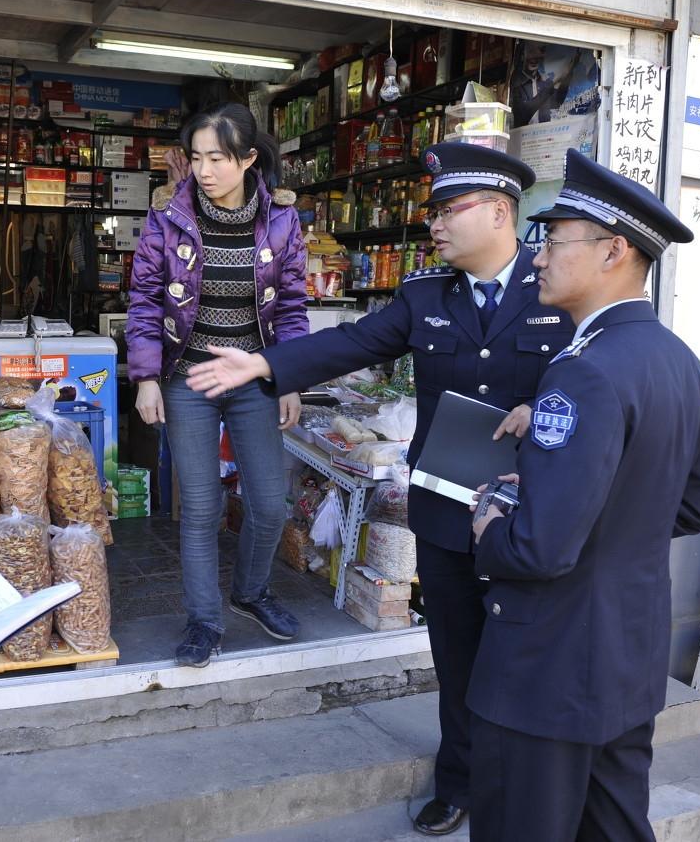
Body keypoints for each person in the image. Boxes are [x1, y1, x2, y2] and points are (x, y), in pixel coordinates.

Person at [185, 142, 576, 835]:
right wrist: (264, 364)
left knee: (525, 659)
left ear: (498, 211)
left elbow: (595, 381)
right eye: (434, 212)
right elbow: (354, 344)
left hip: (531, 517)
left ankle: (519, 783)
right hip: (448, 511)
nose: (436, 224)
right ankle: (458, 781)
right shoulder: (426, 296)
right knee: (456, 655)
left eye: (450, 210)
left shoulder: (553, 290)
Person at [466, 149, 700, 841]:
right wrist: (561, 494)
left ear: (613, 251)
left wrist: (491, 521)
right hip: (628, 663)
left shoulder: (584, 372)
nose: (538, 255)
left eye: (554, 238)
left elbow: (539, 548)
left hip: (545, 674)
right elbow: (687, 507)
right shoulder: (678, 360)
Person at [127, 102, 309, 668]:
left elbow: (294, 309)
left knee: (269, 503)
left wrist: (290, 378)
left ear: (249, 159)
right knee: (202, 507)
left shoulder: (282, 222)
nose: (204, 170)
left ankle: (251, 592)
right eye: (198, 157)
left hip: (254, 377)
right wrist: (147, 379)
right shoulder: (167, 221)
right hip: (187, 379)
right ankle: (204, 620)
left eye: (219, 158)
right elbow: (144, 302)